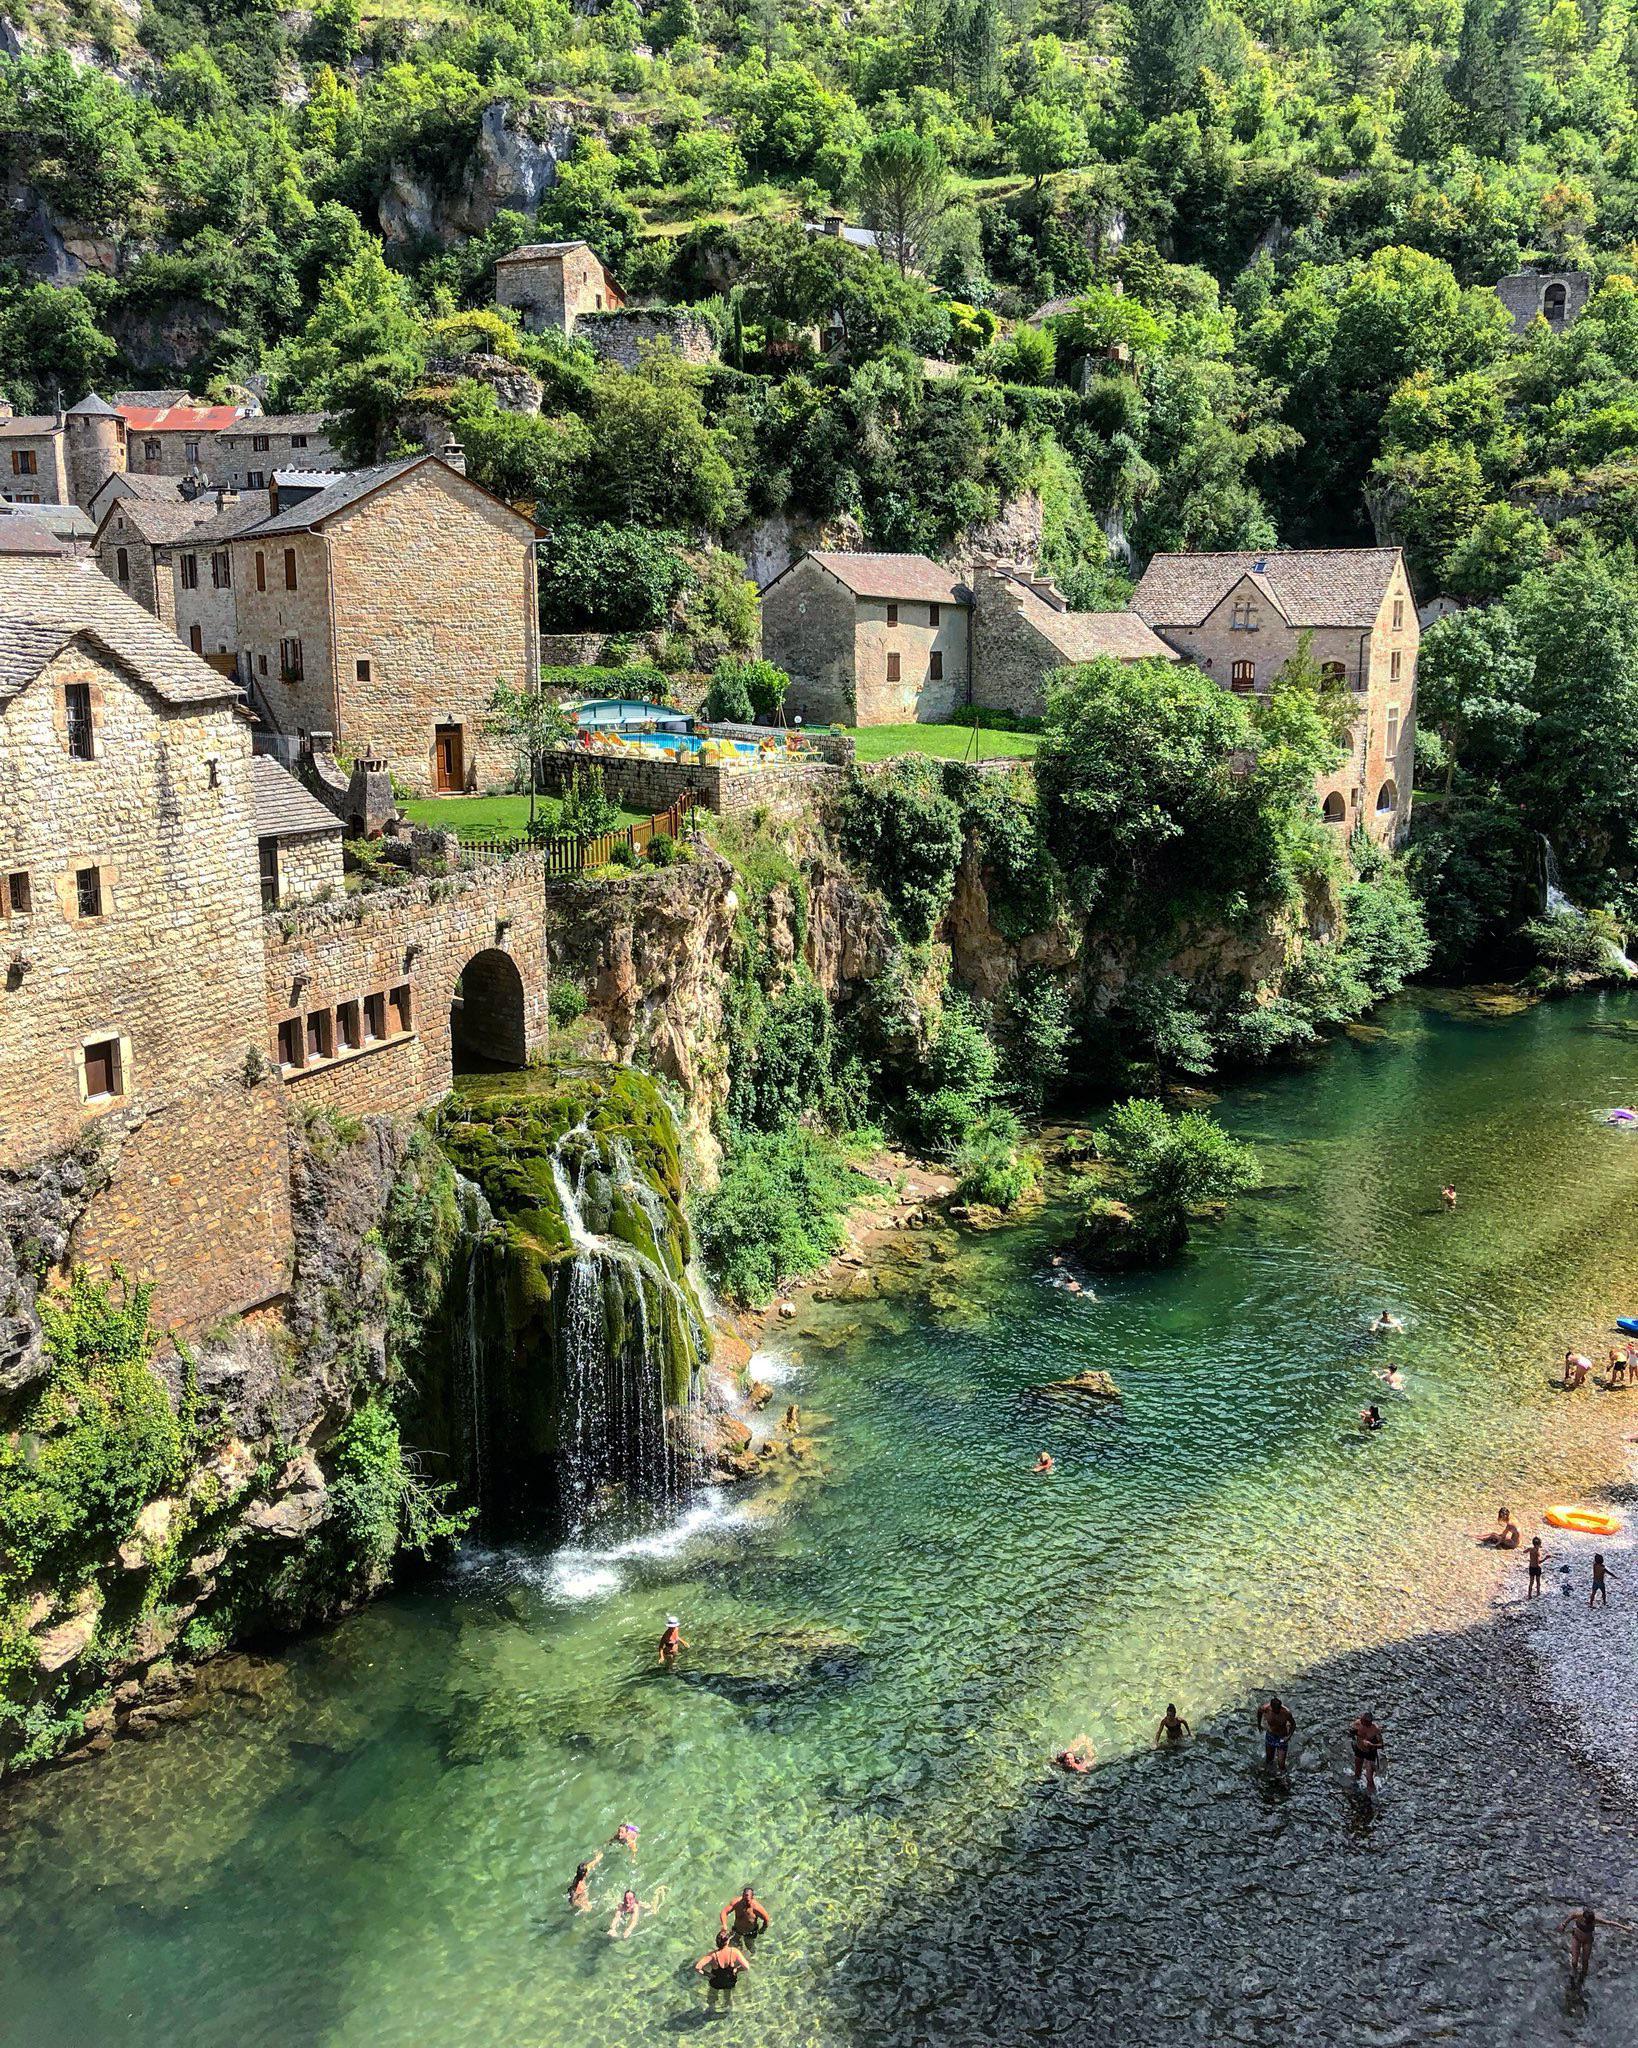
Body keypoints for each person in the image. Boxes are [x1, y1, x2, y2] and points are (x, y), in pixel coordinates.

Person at [1559, 1905, 1633, 1983]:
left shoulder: (1595, 1920)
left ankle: (1583, 1976)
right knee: (1574, 1961)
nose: (1587, 1922)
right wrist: (1563, 1925)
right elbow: (1570, 1917)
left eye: (1589, 1921)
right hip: (1576, 1938)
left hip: (1587, 1941)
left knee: (1585, 1961)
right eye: (1586, 1920)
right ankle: (1574, 1971)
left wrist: (1625, 1928)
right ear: (1583, 1917)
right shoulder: (1578, 1915)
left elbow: (1610, 1923)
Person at [696, 1933, 751, 2008]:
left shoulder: (713, 1955)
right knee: (728, 1996)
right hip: (729, 1980)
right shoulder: (734, 1952)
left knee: (712, 1996)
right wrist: (737, 1969)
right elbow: (746, 1967)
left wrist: (708, 1974)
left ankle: (711, 2009)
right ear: (727, 1941)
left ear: (716, 1942)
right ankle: (728, 2009)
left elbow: (697, 1967)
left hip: (716, 1981)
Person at [1349, 1710, 1386, 1796]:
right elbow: (1350, 1732)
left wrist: (1371, 1744)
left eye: (1364, 1722)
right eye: (1362, 1720)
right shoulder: (1357, 1724)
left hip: (1370, 1753)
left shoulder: (1375, 1729)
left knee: (1369, 1777)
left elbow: (1381, 1745)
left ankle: (1372, 1795)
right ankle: (1355, 1789)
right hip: (1359, 1749)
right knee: (1357, 1771)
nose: (1362, 1722)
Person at [1257, 1696, 1295, 1770]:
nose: (1277, 1711)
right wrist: (1259, 1725)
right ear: (1271, 1707)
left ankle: (1284, 1776)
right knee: (1269, 1760)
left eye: (1278, 1709)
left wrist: (1288, 1737)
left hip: (1282, 1737)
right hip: (1270, 1736)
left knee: (1281, 1764)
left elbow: (1293, 1724)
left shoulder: (1286, 1712)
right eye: (1275, 1710)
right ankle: (1269, 1775)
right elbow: (1259, 1712)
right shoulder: (1265, 1708)